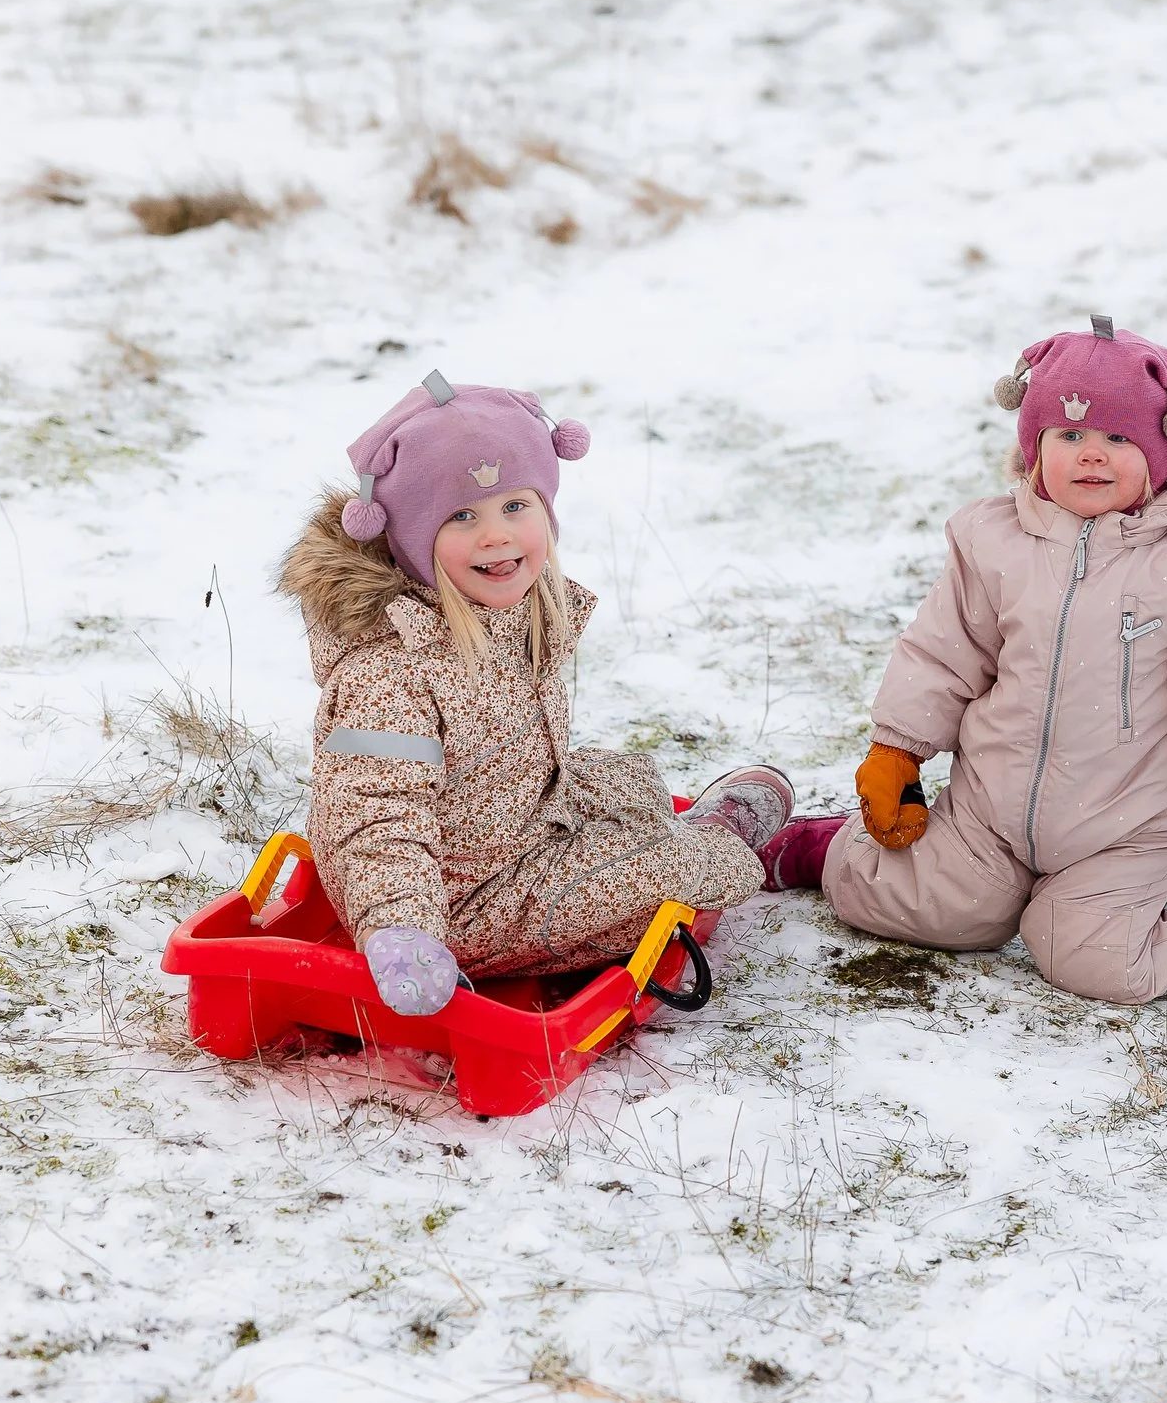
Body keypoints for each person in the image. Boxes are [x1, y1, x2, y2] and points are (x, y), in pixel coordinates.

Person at [776, 317, 1167, 1004]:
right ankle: (817, 846)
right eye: (1070, 435)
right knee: (911, 904)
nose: (1092, 455)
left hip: (1128, 827)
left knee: (1098, 961)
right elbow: (942, 653)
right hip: (990, 812)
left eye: (1118, 437)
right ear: (1034, 448)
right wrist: (898, 751)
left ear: (1166, 450)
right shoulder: (995, 539)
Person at [275, 371, 815, 1016]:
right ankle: (713, 840)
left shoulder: (508, 605)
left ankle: (671, 835)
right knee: (683, 872)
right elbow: (375, 815)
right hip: (454, 908)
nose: (496, 535)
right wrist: (404, 930)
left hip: (518, 817)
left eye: (515, 506)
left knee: (628, 780)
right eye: (462, 516)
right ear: (411, 542)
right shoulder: (387, 673)